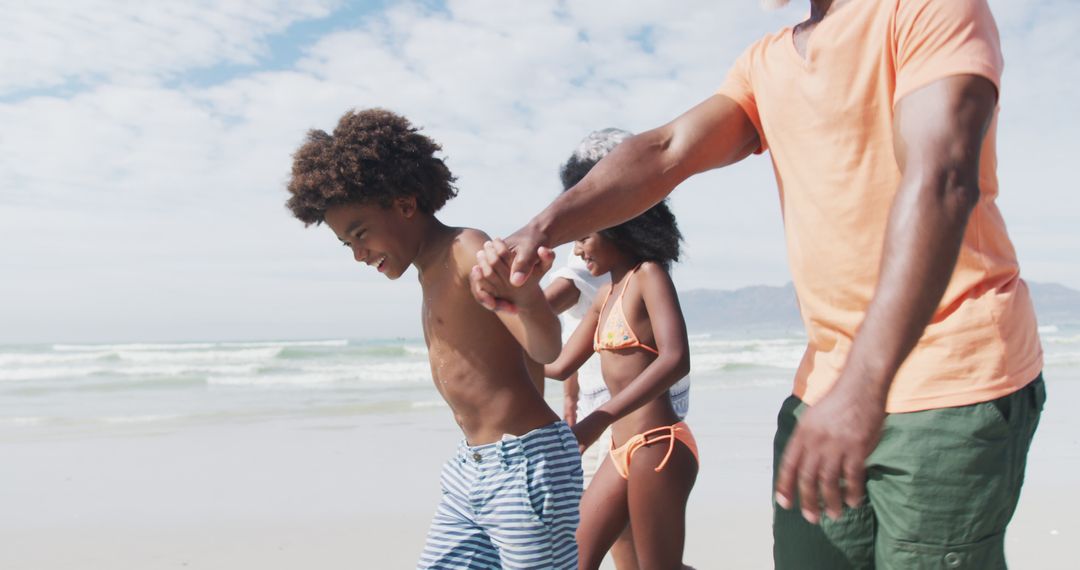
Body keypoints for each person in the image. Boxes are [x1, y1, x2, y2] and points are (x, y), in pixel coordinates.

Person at [474, 0, 1045, 567]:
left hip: (951, 382)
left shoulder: (926, 9)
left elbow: (942, 179)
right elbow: (666, 151)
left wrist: (862, 386)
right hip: (824, 392)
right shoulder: (766, 62)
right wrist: (538, 228)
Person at [285, 108, 582, 570]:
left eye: (361, 234)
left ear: (405, 205)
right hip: (471, 468)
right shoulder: (426, 273)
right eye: (348, 245)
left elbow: (544, 349)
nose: (359, 255)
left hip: (525, 465)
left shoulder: (466, 251)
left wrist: (527, 299)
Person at [542, 128, 693, 570]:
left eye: (585, 235)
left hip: (658, 445)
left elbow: (675, 357)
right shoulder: (606, 296)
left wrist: (598, 418)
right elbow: (553, 364)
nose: (578, 248)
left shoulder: (649, 275)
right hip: (619, 451)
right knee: (575, 561)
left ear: (618, 224)